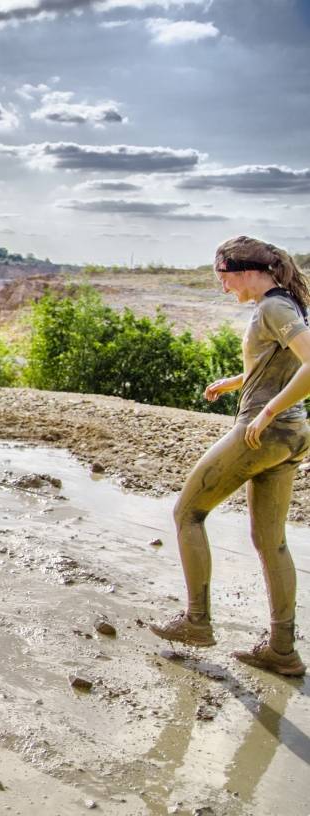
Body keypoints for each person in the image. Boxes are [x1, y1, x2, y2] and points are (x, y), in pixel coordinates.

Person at [151, 236, 310, 677]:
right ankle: (281, 649)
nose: (222, 287)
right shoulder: (287, 305)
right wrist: (238, 380)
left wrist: (267, 412)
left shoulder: (273, 308)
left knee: (188, 513)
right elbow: (282, 364)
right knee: (270, 540)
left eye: (221, 277)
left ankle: (197, 622)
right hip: (294, 435)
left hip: (264, 431)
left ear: (240, 270)